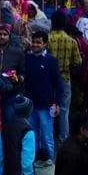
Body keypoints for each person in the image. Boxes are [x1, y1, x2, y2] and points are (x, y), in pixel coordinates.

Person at [25, 29, 64, 158]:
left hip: (46, 106)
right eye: (34, 42)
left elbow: (58, 84)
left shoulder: (51, 61)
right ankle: (35, 163)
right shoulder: (27, 58)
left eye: (38, 43)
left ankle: (49, 165)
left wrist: (57, 103)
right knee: (33, 136)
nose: (35, 45)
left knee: (47, 137)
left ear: (45, 44)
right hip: (31, 105)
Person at [48, 11, 83, 141]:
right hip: (65, 78)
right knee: (64, 111)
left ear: (52, 23)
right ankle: (63, 139)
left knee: (49, 110)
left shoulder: (47, 39)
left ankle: (49, 138)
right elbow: (78, 62)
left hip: (49, 79)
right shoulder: (71, 41)